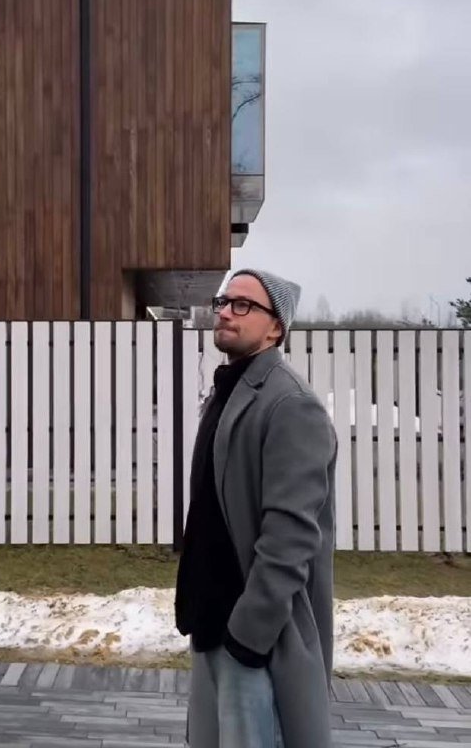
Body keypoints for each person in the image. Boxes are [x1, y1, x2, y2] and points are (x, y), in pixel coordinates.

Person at [175, 268, 337, 748]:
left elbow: (290, 538)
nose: (225, 312)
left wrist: (249, 634)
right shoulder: (229, 392)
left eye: (243, 305)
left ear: (276, 327)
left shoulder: (291, 405)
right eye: (224, 301)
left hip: (252, 640)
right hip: (212, 623)